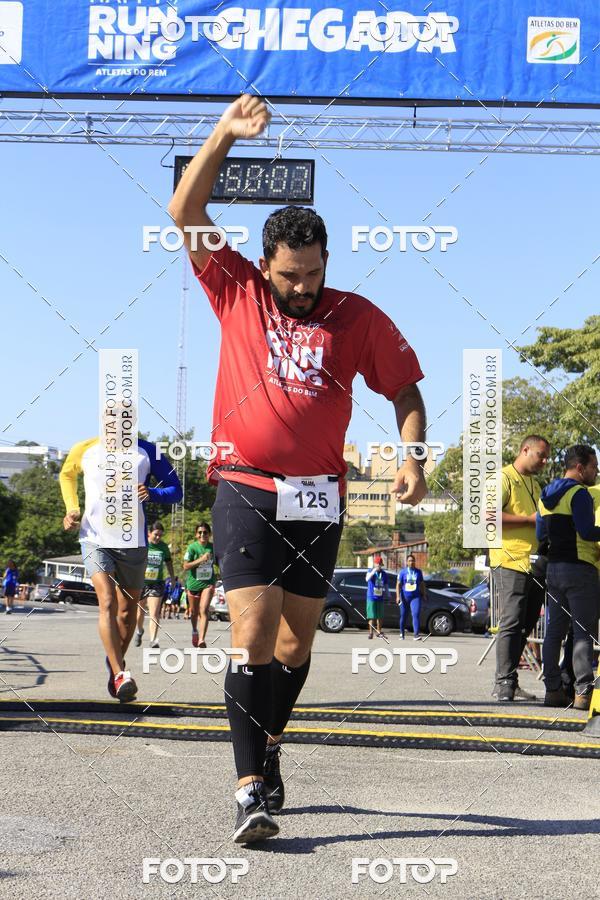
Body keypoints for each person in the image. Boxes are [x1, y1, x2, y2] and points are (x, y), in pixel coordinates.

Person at [168, 93, 427, 843]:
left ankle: (270, 743)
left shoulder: (356, 315)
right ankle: (248, 788)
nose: (303, 287)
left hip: (320, 495)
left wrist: (409, 453)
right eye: (291, 275)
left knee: (296, 645)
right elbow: (187, 210)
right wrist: (223, 133)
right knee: (251, 637)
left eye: (313, 273)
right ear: (267, 263)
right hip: (246, 484)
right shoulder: (238, 288)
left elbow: (404, 388)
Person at [60, 437, 182, 701]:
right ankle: (120, 673)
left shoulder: (148, 450)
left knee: (127, 612)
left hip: (133, 541)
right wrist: (72, 509)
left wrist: (152, 493)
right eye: (109, 414)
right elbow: (66, 474)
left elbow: (176, 490)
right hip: (95, 539)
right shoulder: (84, 448)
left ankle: (115, 666)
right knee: (106, 601)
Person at [537, 445, 600, 710]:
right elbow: (586, 532)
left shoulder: (545, 494)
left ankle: (552, 690)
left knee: (554, 632)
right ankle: (583, 693)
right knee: (584, 632)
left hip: (554, 569)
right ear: (579, 467)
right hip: (580, 568)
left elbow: (541, 536)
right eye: (594, 467)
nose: (596, 471)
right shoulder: (580, 493)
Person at [489, 434, 550, 702]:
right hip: (509, 559)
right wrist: (528, 519)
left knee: (526, 624)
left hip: (534, 561)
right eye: (541, 455)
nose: (545, 461)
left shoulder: (534, 484)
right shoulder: (502, 478)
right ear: (525, 450)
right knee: (512, 621)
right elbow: (487, 516)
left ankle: (511, 681)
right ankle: (503, 684)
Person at [134, 522, 176, 649]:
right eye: (156, 535)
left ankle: (153, 640)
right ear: (149, 533)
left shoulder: (163, 547)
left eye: (160, 535)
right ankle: (139, 631)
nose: (158, 537)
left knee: (154, 613)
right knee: (140, 612)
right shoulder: (142, 544)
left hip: (156, 583)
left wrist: (172, 578)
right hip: (141, 582)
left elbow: (168, 562)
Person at [183, 522, 216, 648]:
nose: (203, 534)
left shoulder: (213, 547)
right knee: (194, 612)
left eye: (205, 532)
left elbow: (220, 561)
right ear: (196, 534)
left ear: (209, 534)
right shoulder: (192, 548)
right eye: (200, 532)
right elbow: (185, 566)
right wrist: (201, 560)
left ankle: (202, 639)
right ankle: (194, 630)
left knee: (204, 610)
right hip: (193, 585)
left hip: (208, 584)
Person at [397, 553, 425, 640]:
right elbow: (398, 585)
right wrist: (397, 596)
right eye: (409, 561)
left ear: (415, 562)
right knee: (403, 615)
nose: (411, 562)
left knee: (415, 614)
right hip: (404, 597)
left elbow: (421, 584)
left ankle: (416, 635)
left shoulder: (418, 572)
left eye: (413, 561)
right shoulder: (402, 572)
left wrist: (424, 594)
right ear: (406, 562)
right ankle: (402, 633)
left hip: (415, 597)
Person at [365, 557, 389, 639]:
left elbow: (385, 585)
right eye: (377, 564)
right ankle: (370, 633)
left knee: (380, 616)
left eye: (380, 564)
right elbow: (367, 579)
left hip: (380, 597)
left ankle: (378, 632)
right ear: (374, 564)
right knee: (372, 616)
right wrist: (373, 571)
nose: (378, 565)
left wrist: (388, 594)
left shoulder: (384, 574)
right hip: (371, 597)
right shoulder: (370, 571)